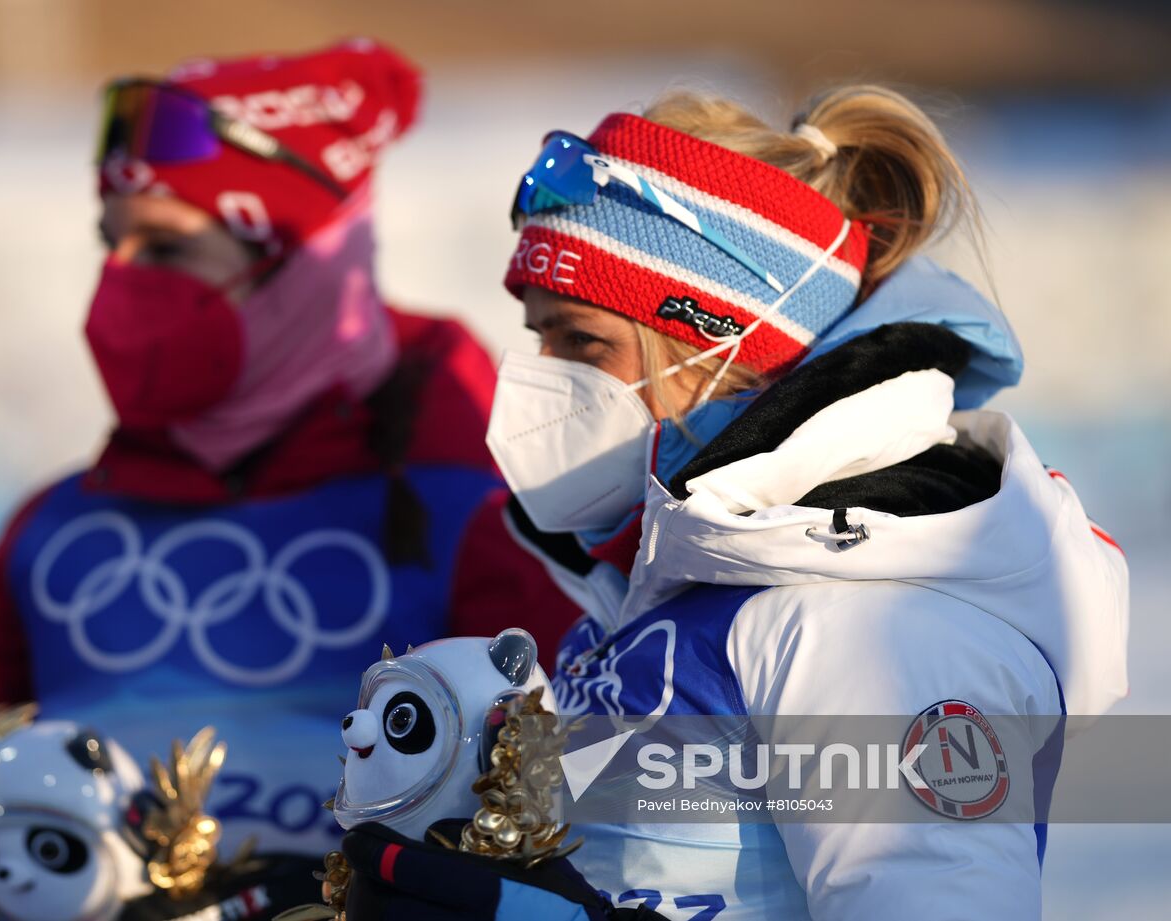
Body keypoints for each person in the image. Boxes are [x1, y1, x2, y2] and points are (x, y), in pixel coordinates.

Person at [337, 86, 1129, 919]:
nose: (540, 378)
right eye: (538, 338)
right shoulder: (644, 592)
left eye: (582, 341)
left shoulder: (875, 626)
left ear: (728, 349)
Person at [0, 39, 579, 916]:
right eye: (112, 245)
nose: (119, 286)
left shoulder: (484, 516)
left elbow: (566, 830)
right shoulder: (55, 533)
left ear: (304, 265)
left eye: (168, 249)